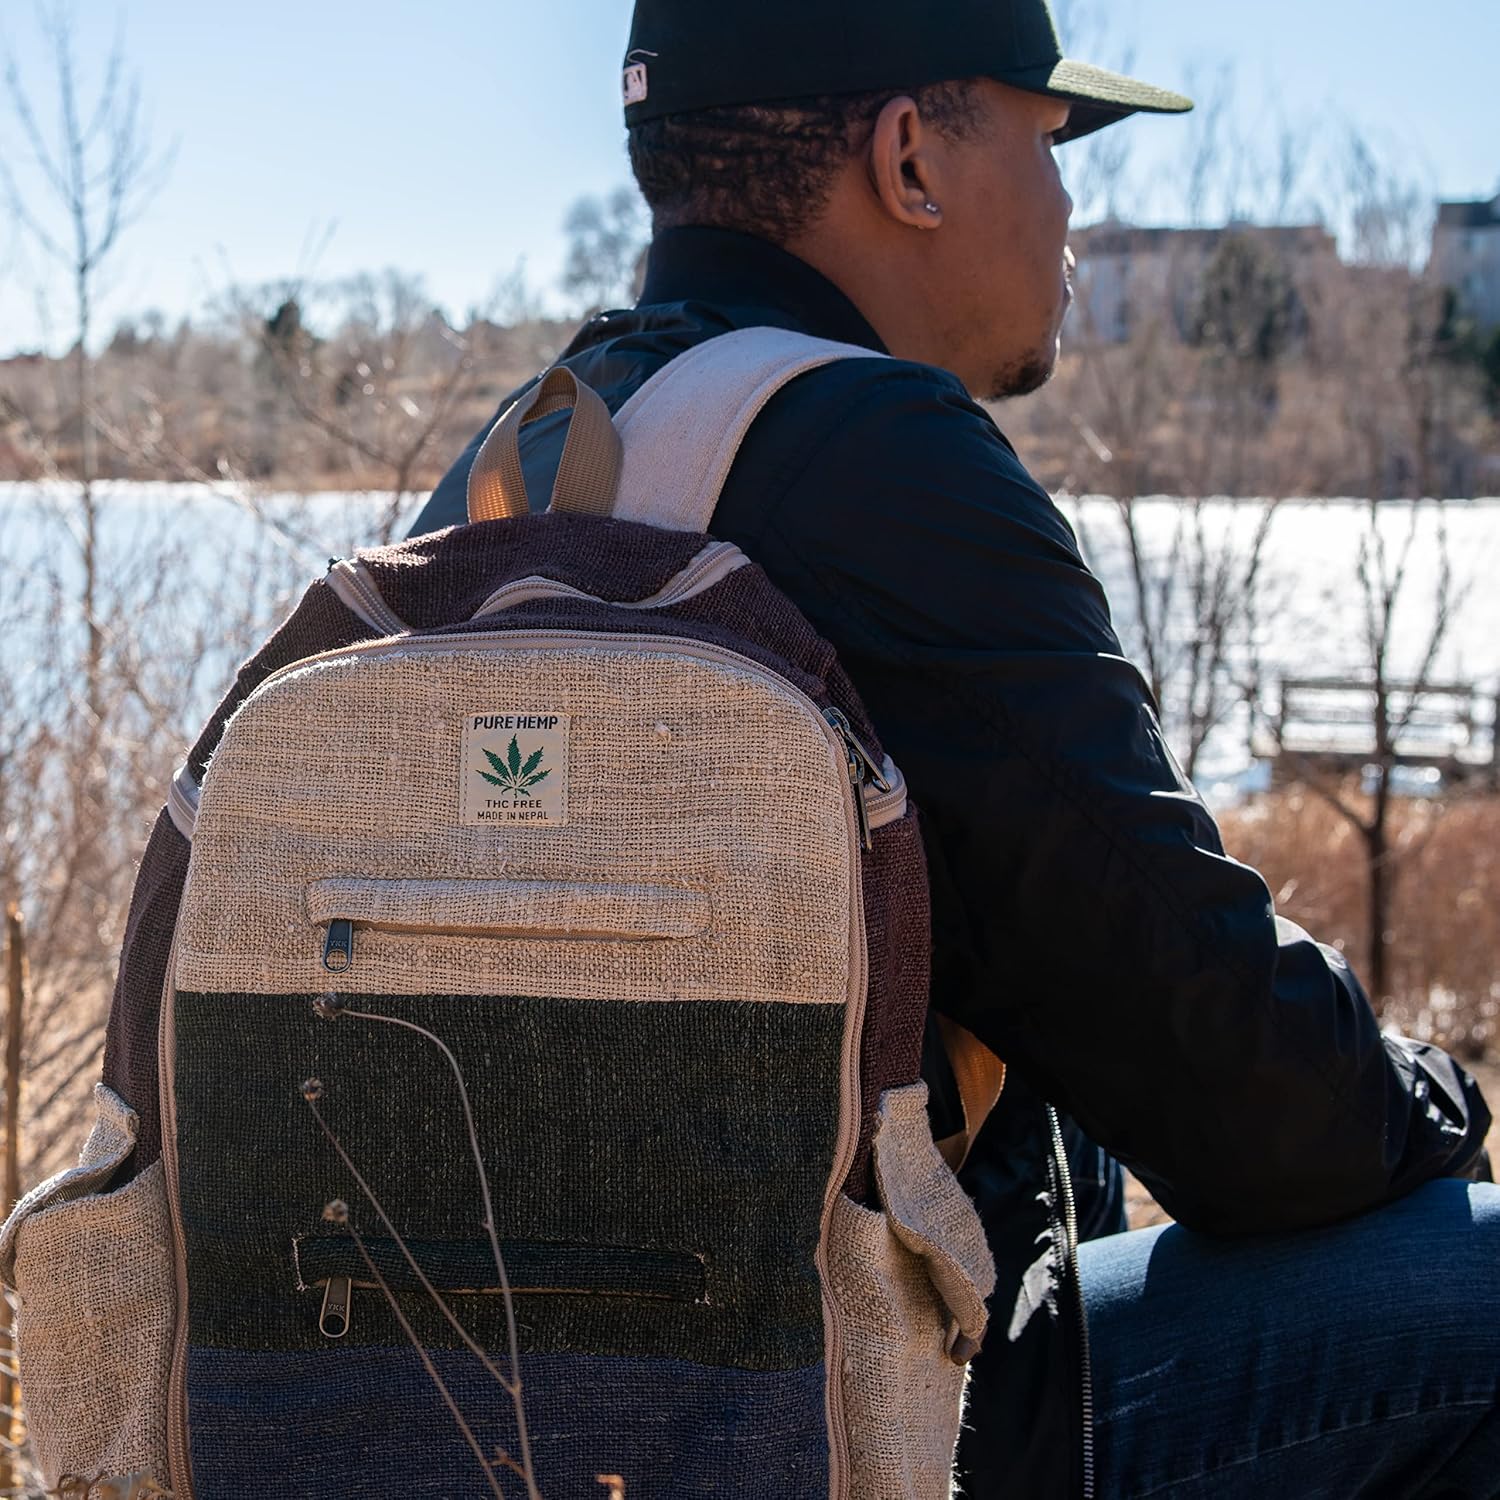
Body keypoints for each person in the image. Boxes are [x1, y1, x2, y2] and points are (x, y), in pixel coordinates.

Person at [410, 2, 1500, 1494]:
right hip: (866, 1433)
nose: (1070, 212)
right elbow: (1253, 1101)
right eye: (1051, 143)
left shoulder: (519, 463)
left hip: (488, 1425)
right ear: (912, 158)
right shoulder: (872, 458)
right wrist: (1442, 1099)